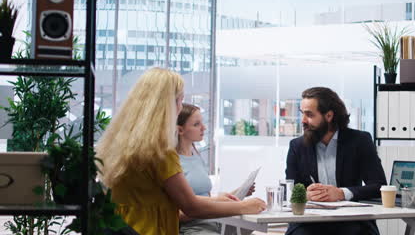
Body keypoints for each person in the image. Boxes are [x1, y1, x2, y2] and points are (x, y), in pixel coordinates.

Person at [96, 68, 266, 235]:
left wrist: (217, 199)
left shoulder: (121, 146)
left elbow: (163, 197)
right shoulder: (159, 152)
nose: (179, 108)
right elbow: (191, 206)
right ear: (167, 106)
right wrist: (245, 206)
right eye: (179, 101)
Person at [285, 87, 387, 235]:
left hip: (352, 221)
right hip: (309, 223)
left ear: (329, 115)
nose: (304, 121)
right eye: (303, 114)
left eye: (309, 115)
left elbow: (379, 185)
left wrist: (341, 193)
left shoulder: (359, 141)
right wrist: (306, 195)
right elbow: (290, 189)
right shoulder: (297, 146)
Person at [176, 103, 255, 235]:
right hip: (193, 229)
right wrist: (224, 206)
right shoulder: (173, 163)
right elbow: (178, 213)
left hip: (215, 222)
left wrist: (238, 192)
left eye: (202, 123)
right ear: (180, 130)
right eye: (196, 124)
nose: (204, 128)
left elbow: (204, 198)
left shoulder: (196, 157)